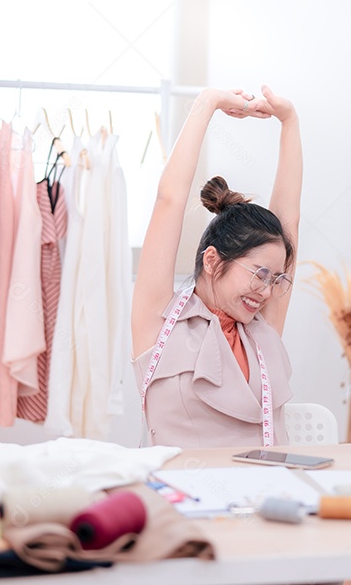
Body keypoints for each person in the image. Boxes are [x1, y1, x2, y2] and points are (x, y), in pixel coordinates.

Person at [131, 86, 302, 448]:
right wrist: (207, 103)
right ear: (212, 260)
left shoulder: (260, 328)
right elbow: (169, 200)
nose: (267, 291)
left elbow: (290, 221)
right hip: (179, 485)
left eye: (276, 279)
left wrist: (289, 122)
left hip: (267, 483)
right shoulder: (158, 321)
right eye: (259, 274)